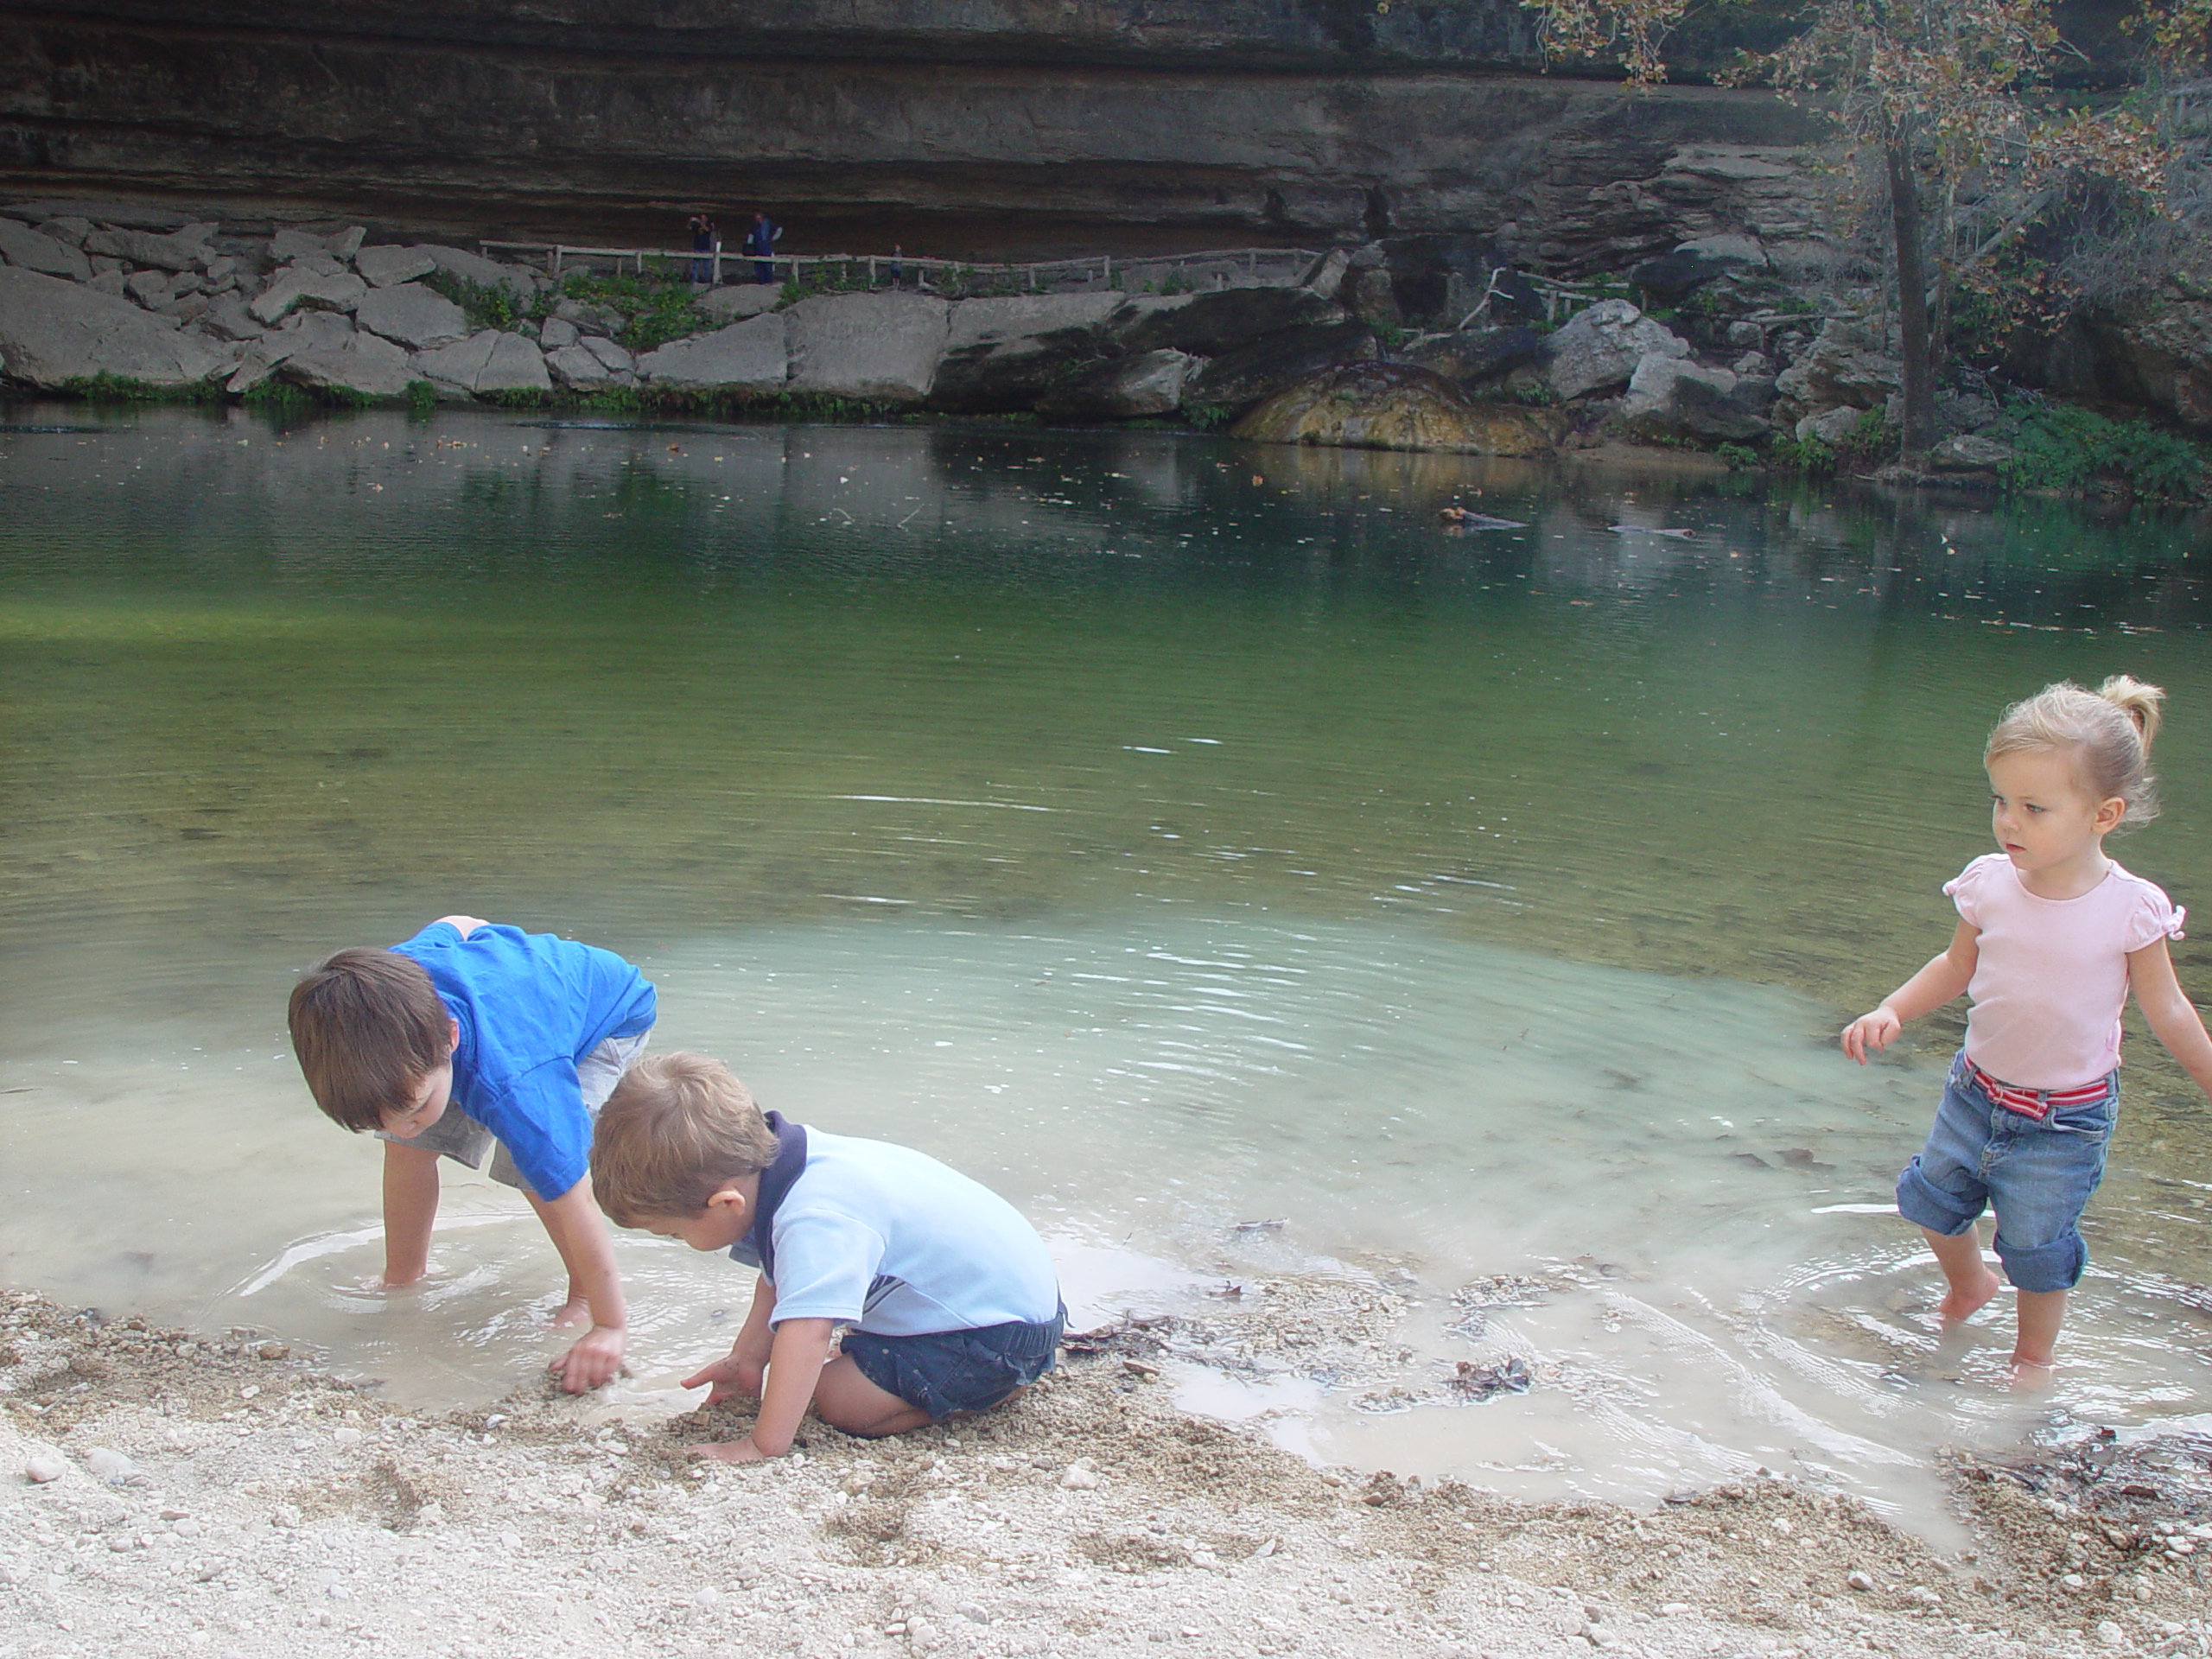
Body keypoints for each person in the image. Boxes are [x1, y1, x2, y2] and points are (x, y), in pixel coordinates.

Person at [1840, 677, 2212, 1384]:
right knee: (1931, 1199)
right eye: (2001, 801)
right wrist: (1892, 1008)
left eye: (2033, 808)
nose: (2009, 821)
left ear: (2104, 814)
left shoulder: (2130, 909)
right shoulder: (1989, 883)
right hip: (1974, 1091)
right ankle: (1969, 1285)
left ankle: (2032, 1358)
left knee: (2040, 1246)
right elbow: (1955, 965)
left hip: (2065, 1118)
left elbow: (2167, 1008)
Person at [589, 1052, 1064, 1459]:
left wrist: (763, 1444)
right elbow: (777, 1281)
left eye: (673, 1233)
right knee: (819, 1358)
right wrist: (747, 1360)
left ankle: (989, 1391)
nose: (677, 1242)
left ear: (726, 1204)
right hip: (1015, 1302)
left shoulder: (815, 1218)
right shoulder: (792, 1161)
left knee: (835, 1398)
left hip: (997, 1336)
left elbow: (808, 1331)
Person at [287, 916, 657, 1393]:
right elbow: (455, 924)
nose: (400, 1126)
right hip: (491, 1025)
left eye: (414, 1108)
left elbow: (576, 1198)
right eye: (377, 1122)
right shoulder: (390, 988)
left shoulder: (518, 1085)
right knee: (407, 1148)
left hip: (605, 1019)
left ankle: (585, 1294)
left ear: (450, 1038)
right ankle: (403, 1275)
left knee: (534, 1169)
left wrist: (610, 1326)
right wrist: (487, 945)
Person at [745, 211, 780, 284]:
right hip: (756, 248)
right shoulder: (754, 225)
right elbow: (751, 235)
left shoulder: (768, 223)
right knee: (758, 265)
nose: (757, 219)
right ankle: (761, 281)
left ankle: (768, 281)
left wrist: (772, 238)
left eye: (758, 217)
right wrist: (749, 245)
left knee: (767, 265)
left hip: (766, 247)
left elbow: (779, 230)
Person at [686, 212, 717, 284]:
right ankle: (694, 280)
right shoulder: (697, 225)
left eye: (703, 218)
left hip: (705, 247)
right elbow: (688, 228)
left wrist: (699, 222)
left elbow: (707, 230)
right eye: (701, 218)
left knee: (706, 266)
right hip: (697, 246)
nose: (702, 219)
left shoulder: (709, 225)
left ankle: (707, 280)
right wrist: (690, 221)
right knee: (695, 265)